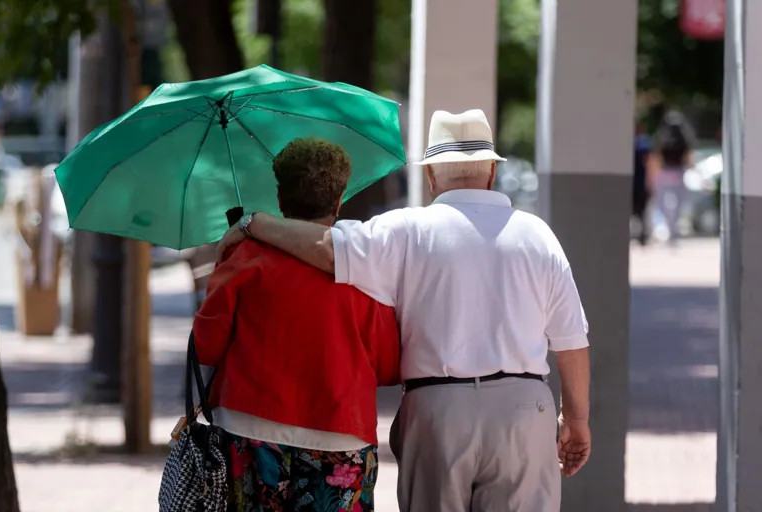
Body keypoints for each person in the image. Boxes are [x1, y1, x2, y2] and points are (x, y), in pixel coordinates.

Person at [218, 110, 592, 512]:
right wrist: (576, 419)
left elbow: (326, 247)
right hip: (524, 410)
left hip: (438, 411)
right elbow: (571, 341)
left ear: (430, 177)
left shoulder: (405, 229)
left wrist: (253, 225)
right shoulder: (538, 235)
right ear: (491, 175)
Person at [194, 137, 401, 512]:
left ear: (279, 197)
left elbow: (207, 346)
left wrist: (223, 262)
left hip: (249, 428)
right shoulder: (364, 270)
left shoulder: (244, 259)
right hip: (340, 432)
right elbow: (387, 365)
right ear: (339, 200)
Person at [647, 110, 696, 245]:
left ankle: (663, 229)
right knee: (678, 204)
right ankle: (672, 230)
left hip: (664, 175)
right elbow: (688, 158)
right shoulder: (683, 139)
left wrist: (652, 176)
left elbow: (656, 158)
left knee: (661, 204)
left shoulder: (661, 137)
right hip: (678, 173)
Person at [633, 121, 653, 245]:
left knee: (641, 211)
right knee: (639, 211)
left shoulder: (642, 142)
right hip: (637, 182)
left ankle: (642, 235)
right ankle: (640, 234)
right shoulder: (638, 142)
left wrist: (649, 181)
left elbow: (649, 162)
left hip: (640, 182)